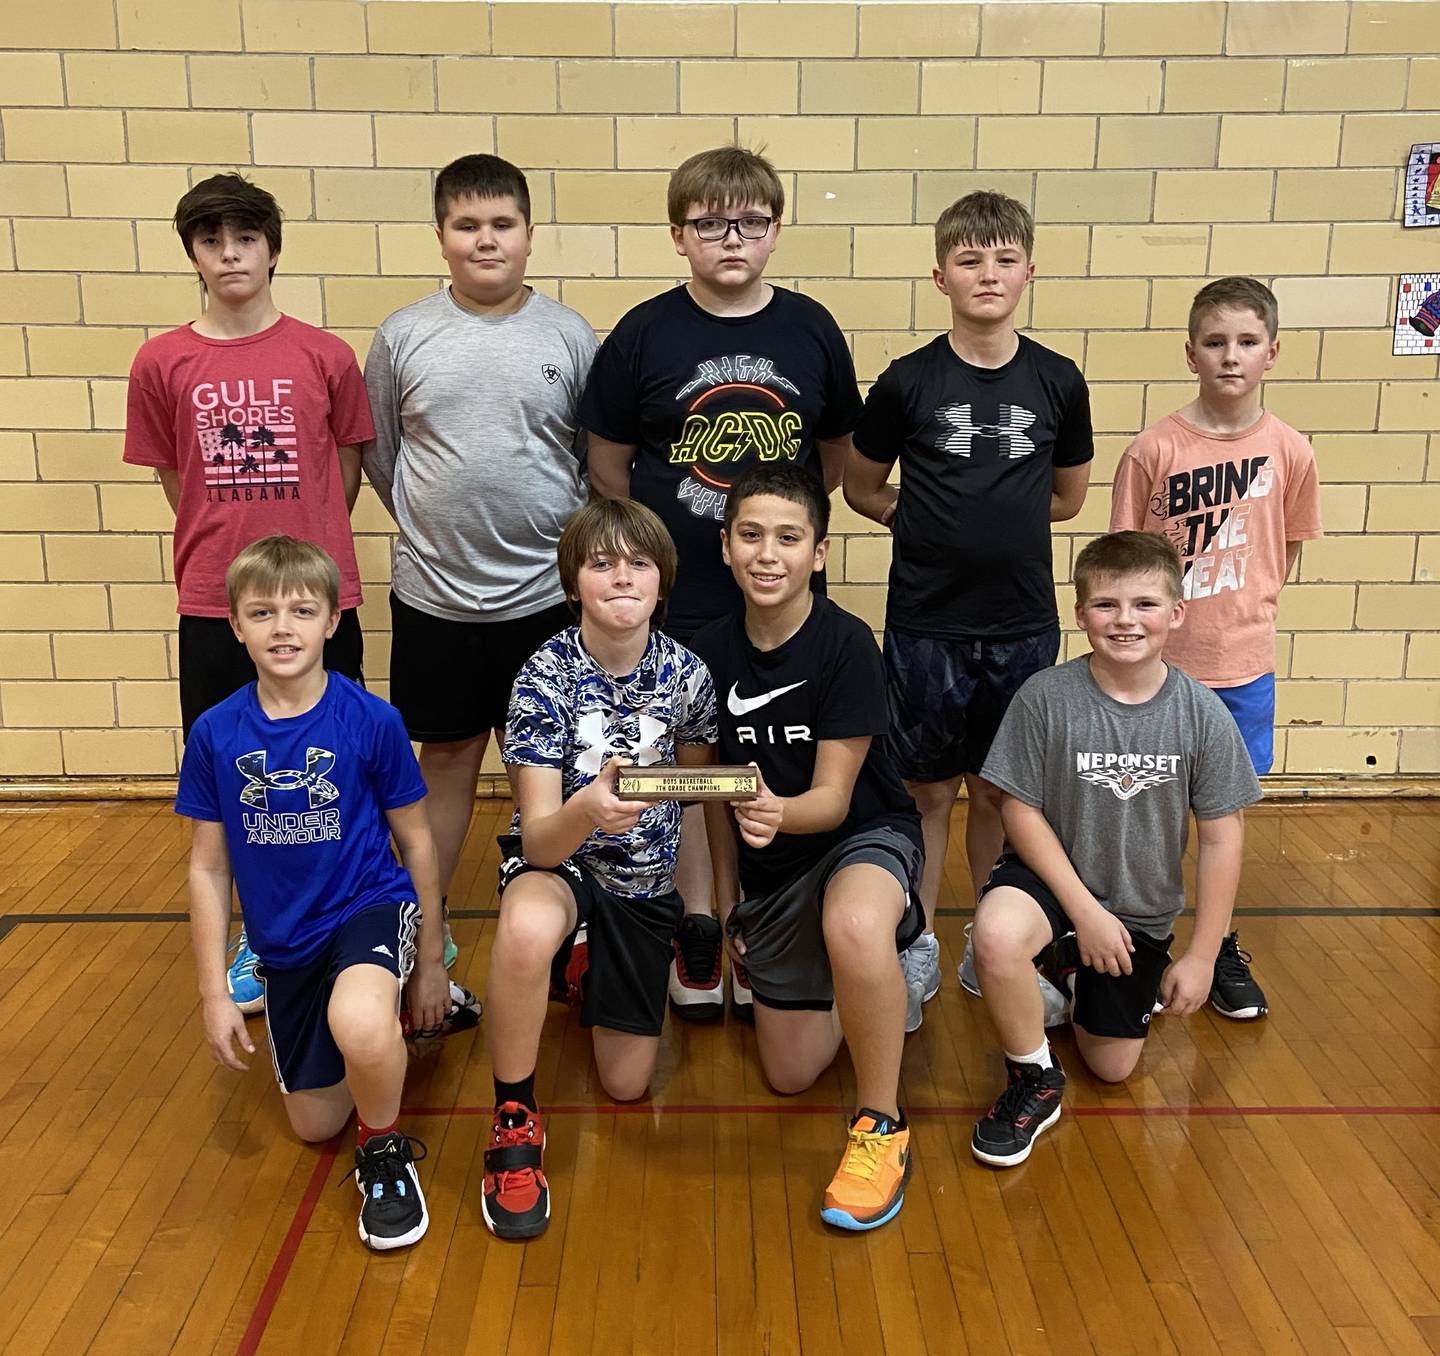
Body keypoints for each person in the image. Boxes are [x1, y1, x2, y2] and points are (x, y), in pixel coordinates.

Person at [580, 146, 865, 1022]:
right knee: (695, 767)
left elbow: (832, 464)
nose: (730, 238)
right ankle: (701, 919)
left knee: (768, 762)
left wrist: (774, 548)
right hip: (689, 600)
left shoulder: (811, 328)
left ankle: (761, 920)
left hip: (776, 605)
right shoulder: (644, 333)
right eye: (709, 223)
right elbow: (607, 465)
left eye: (749, 221)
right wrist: (665, 558)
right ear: (679, 234)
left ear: (776, 230)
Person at [177, 536, 471, 1250]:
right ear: (236, 625)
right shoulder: (215, 734)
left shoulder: (371, 720)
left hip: (368, 905)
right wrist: (216, 993)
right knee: (315, 1124)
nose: (284, 627)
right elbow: (208, 869)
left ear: (332, 622)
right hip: (284, 942)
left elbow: (418, 841)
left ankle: (386, 1154)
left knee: (361, 1026)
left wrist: (430, 959)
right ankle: (384, 1023)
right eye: (263, 612)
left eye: (302, 610)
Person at [845, 190, 1093, 1032]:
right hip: (926, 625)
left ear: (1029, 269)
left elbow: (1066, 497)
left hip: (1021, 623)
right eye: (969, 260)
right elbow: (861, 485)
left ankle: (998, 947)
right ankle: (913, 944)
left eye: (1003, 259)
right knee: (924, 793)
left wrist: (998, 526)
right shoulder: (909, 380)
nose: (988, 274)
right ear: (941, 274)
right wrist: (912, 520)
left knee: (1001, 791)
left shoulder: (1058, 378)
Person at [363, 154, 597, 971]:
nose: (485, 241)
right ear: (440, 237)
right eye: (467, 226)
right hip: (436, 598)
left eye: (502, 225)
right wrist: (440, 533)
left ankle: (571, 924)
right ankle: (422, 929)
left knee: (557, 767)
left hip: (543, 596)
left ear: (530, 234)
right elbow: (383, 458)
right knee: (450, 762)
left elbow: (584, 457)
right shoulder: (403, 335)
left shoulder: (567, 334)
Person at [969, 531, 1261, 1167]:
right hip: (1051, 883)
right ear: (1080, 615)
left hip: (1136, 909)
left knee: (1111, 1067)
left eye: (1144, 604)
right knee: (993, 936)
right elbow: (1017, 807)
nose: (1125, 620)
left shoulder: (1202, 714)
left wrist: (1205, 957)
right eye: (1105, 605)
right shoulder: (1046, 697)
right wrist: (1085, 912)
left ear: (1176, 613)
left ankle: (1069, 974)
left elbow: (1221, 837)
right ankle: (1033, 1078)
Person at [690, 464, 924, 1232]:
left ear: (818, 554)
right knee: (789, 1074)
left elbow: (830, 800)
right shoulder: (707, 651)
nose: (768, 554)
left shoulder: (847, 644)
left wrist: (774, 813)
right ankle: (885, 983)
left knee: (855, 924)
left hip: (860, 833)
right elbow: (709, 798)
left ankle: (881, 1127)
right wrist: (732, 909)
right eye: (750, 535)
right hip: (775, 865)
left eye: (789, 538)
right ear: (724, 547)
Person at [482, 499, 717, 1240]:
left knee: (625, 1085)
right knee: (524, 928)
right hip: (564, 863)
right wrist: (588, 809)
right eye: (602, 563)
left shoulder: (688, 676)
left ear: (663, 582)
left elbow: (700, 796)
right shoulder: (542, 677)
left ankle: (584, 963)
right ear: (573, 582)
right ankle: (514, 1116)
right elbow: (542, 840)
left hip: (644, 884)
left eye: (639, 563)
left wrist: (701, 907)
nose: (622, 577)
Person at [1110, 277, 1322, 1020]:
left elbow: (1283, 554)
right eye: (1215, 342)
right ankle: (1141, 941)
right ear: (1190, 351)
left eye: (1247, 342)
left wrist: (1244, 618)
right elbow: (1124, 562)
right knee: (1148, 814)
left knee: (1220, 821)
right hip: (1162, 671)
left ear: (1273, 352)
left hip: (1243, 669)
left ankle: (1217, 941)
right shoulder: (1155, 448)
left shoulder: (1290, 450)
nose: (1231, 357)